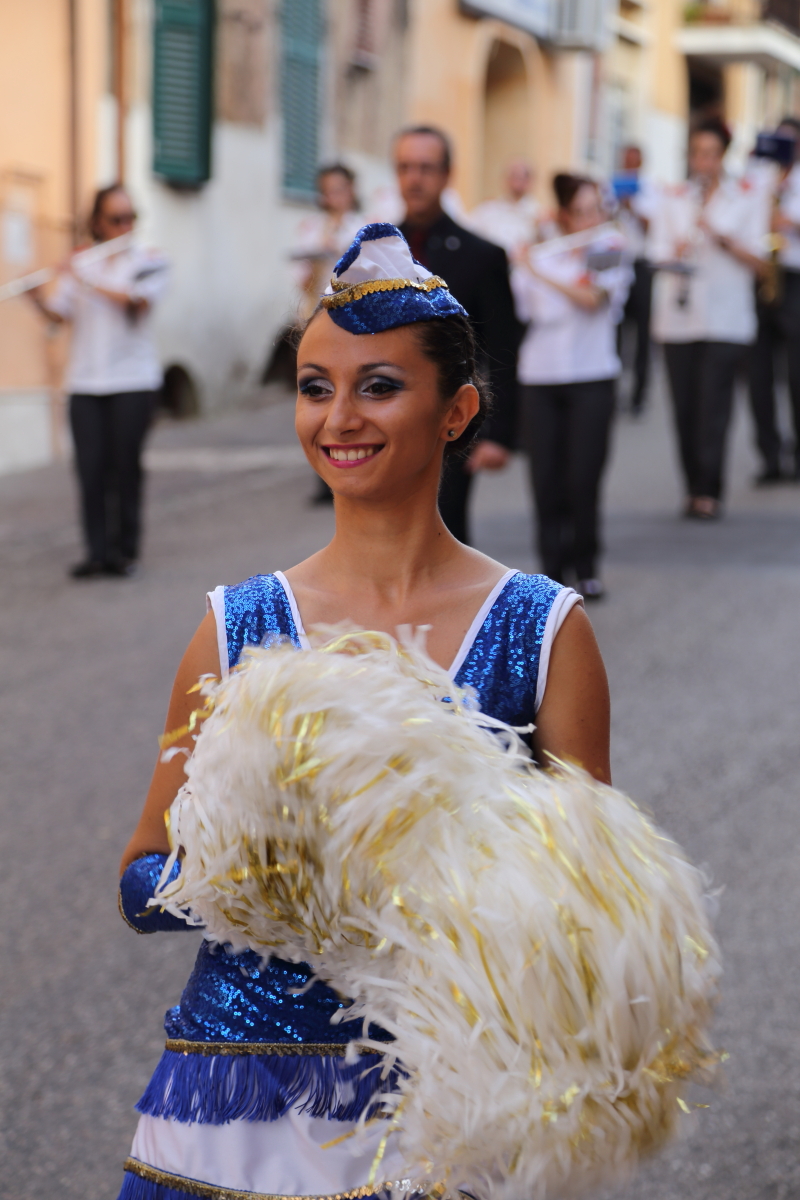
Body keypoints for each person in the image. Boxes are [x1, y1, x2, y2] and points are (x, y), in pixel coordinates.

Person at [116, 223, 610, 1200]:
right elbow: (140, 881)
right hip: (228, 1112)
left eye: (378, 386)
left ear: (457, 411)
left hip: (440, 1116)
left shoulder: (542, 629)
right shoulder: (237, 626)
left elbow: (596, 908)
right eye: (314, 387)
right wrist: (257, 878)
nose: (338, 418)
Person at [29, 184, 169, 577]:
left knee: (125, 467)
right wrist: (37, 299)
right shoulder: (83, 262)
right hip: (85, 383)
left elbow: (137, 301)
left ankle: (125, 552)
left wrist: (85, 279)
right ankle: (96, 553)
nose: (126, 226)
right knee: (90, 470)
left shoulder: (150, 259)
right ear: (97, 223)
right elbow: (60, 315)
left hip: (133, 381)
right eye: (116, 219)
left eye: (131, 217)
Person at [394, 126, 521, 544]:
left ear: (447, 175)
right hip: (384, 421)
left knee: (444, 538)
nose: (414, 179)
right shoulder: (374, 256)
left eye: (425, 168)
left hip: (449, 422)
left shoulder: (481, 256)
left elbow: (502, 347)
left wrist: (500, 434)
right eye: (405, 168)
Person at [512, 175, 631, 600]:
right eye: (580, 212)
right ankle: (550, 574)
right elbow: (525, 312)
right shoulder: (543, 252)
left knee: (583, 478)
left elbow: (593, 299)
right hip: (539, 378)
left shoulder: (608, 247)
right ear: (563, 216)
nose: (590, 220)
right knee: (545, 481)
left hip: (592, 376)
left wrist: (536, 271)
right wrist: (529, 261)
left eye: (595, 210)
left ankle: (586, 566)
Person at [650, 117, 769, 519]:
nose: (704, 162)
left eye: (712, 154)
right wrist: (675, 250)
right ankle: (692, 487)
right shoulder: (673, 197)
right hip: (678, 320)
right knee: (685, 409)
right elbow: (655, 254)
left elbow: (760, 262)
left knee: (713, 409)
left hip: (726, 320)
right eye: (698, 153)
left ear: (723, 157)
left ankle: (709, 491)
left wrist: (720, 235)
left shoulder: (747, 197)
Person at [747, 117, 800, 482]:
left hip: (794, 279)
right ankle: (769, 455)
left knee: (796, 374)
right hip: (763, 277)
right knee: (758, 374)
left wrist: (789, 223)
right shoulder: (760, 178)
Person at [613, 145, 658, 414]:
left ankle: (639, 395)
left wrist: (632, 206)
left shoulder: (651, 189)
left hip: (641, 265)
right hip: (618, 263)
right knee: (615, 331)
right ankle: (613, 391)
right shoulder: (610, 187)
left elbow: (654, 226)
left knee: (642, 334)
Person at [292, 163, 363, 319]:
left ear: (351, 189)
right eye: (327, 191)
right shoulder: (311, 228)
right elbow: (302, 284)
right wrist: (315, 263)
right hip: (316, 311)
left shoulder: (363, 228)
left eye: (338, 189)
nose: (333, 197)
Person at [468, 158, 540, 256]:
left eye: (522, 176)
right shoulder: (487, 210)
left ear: (530, 181)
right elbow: (469, 235)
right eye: (513, 175)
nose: (517, 181)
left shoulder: (538, 214)